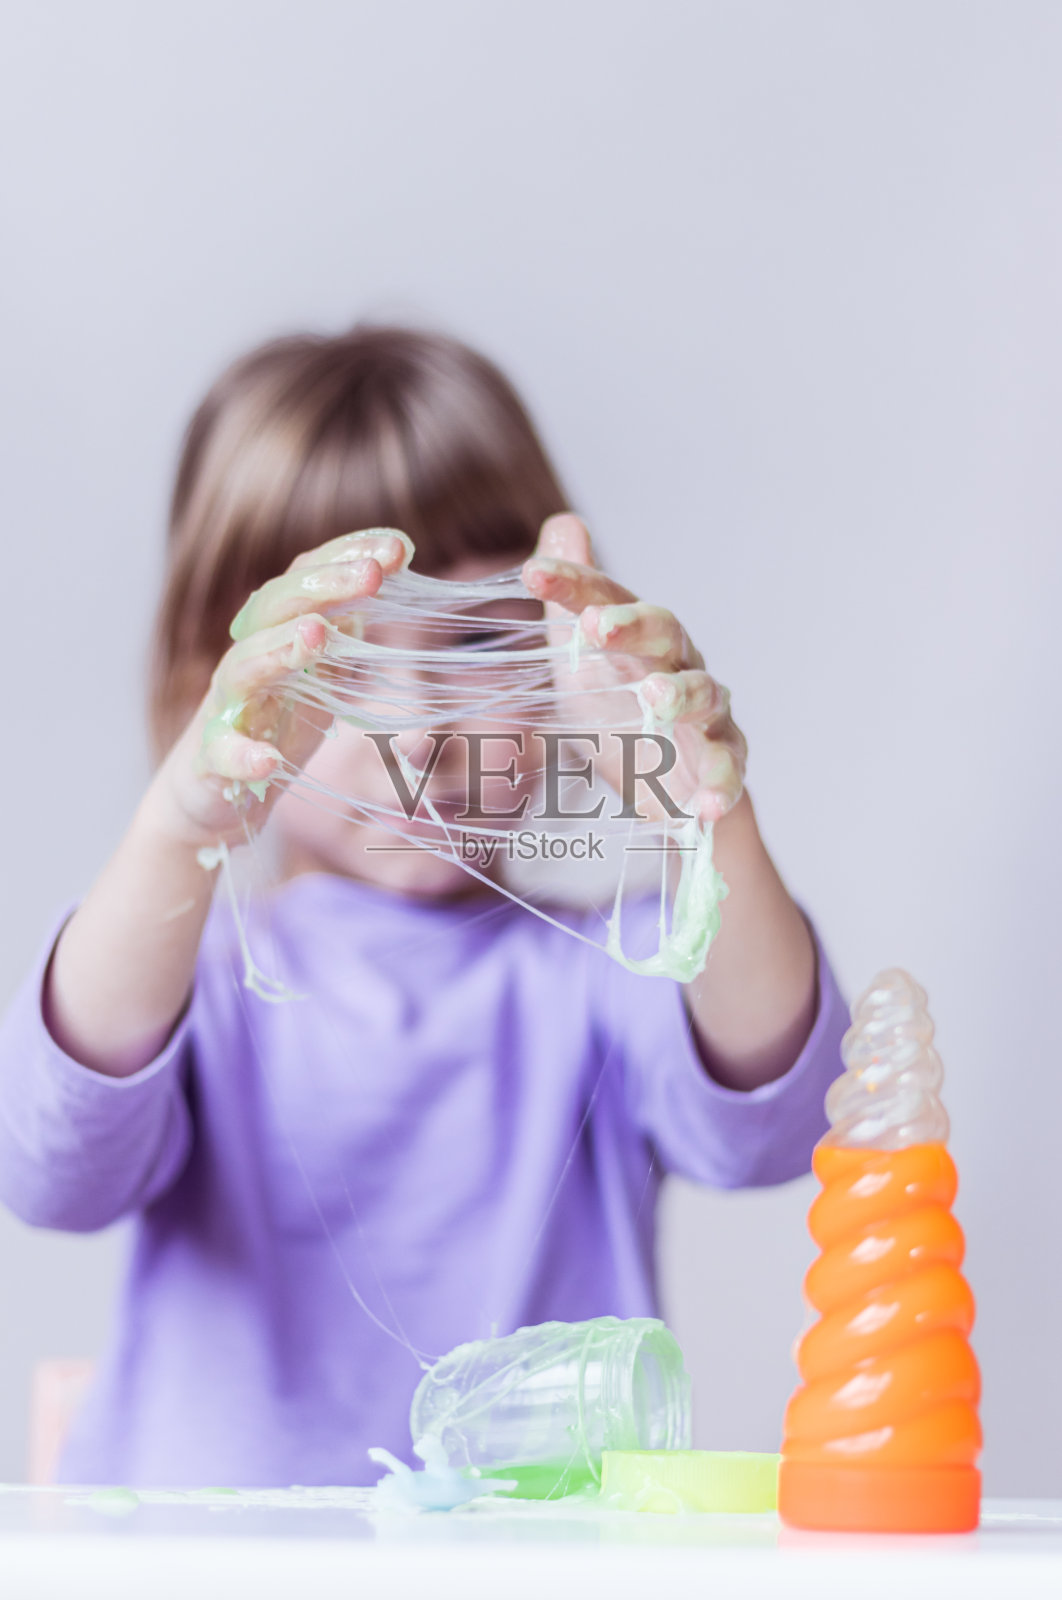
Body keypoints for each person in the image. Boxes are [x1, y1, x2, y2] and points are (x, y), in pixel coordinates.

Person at [0, 326, 847, 1486]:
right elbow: (52, 1170)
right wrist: (175, 827)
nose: (424, 732)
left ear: (557, 660)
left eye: (479, 645)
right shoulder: (185, 980)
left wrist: (700, 811)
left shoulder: (605, 968)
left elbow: (777, 1117)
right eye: (343, 662)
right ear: (214, 683)